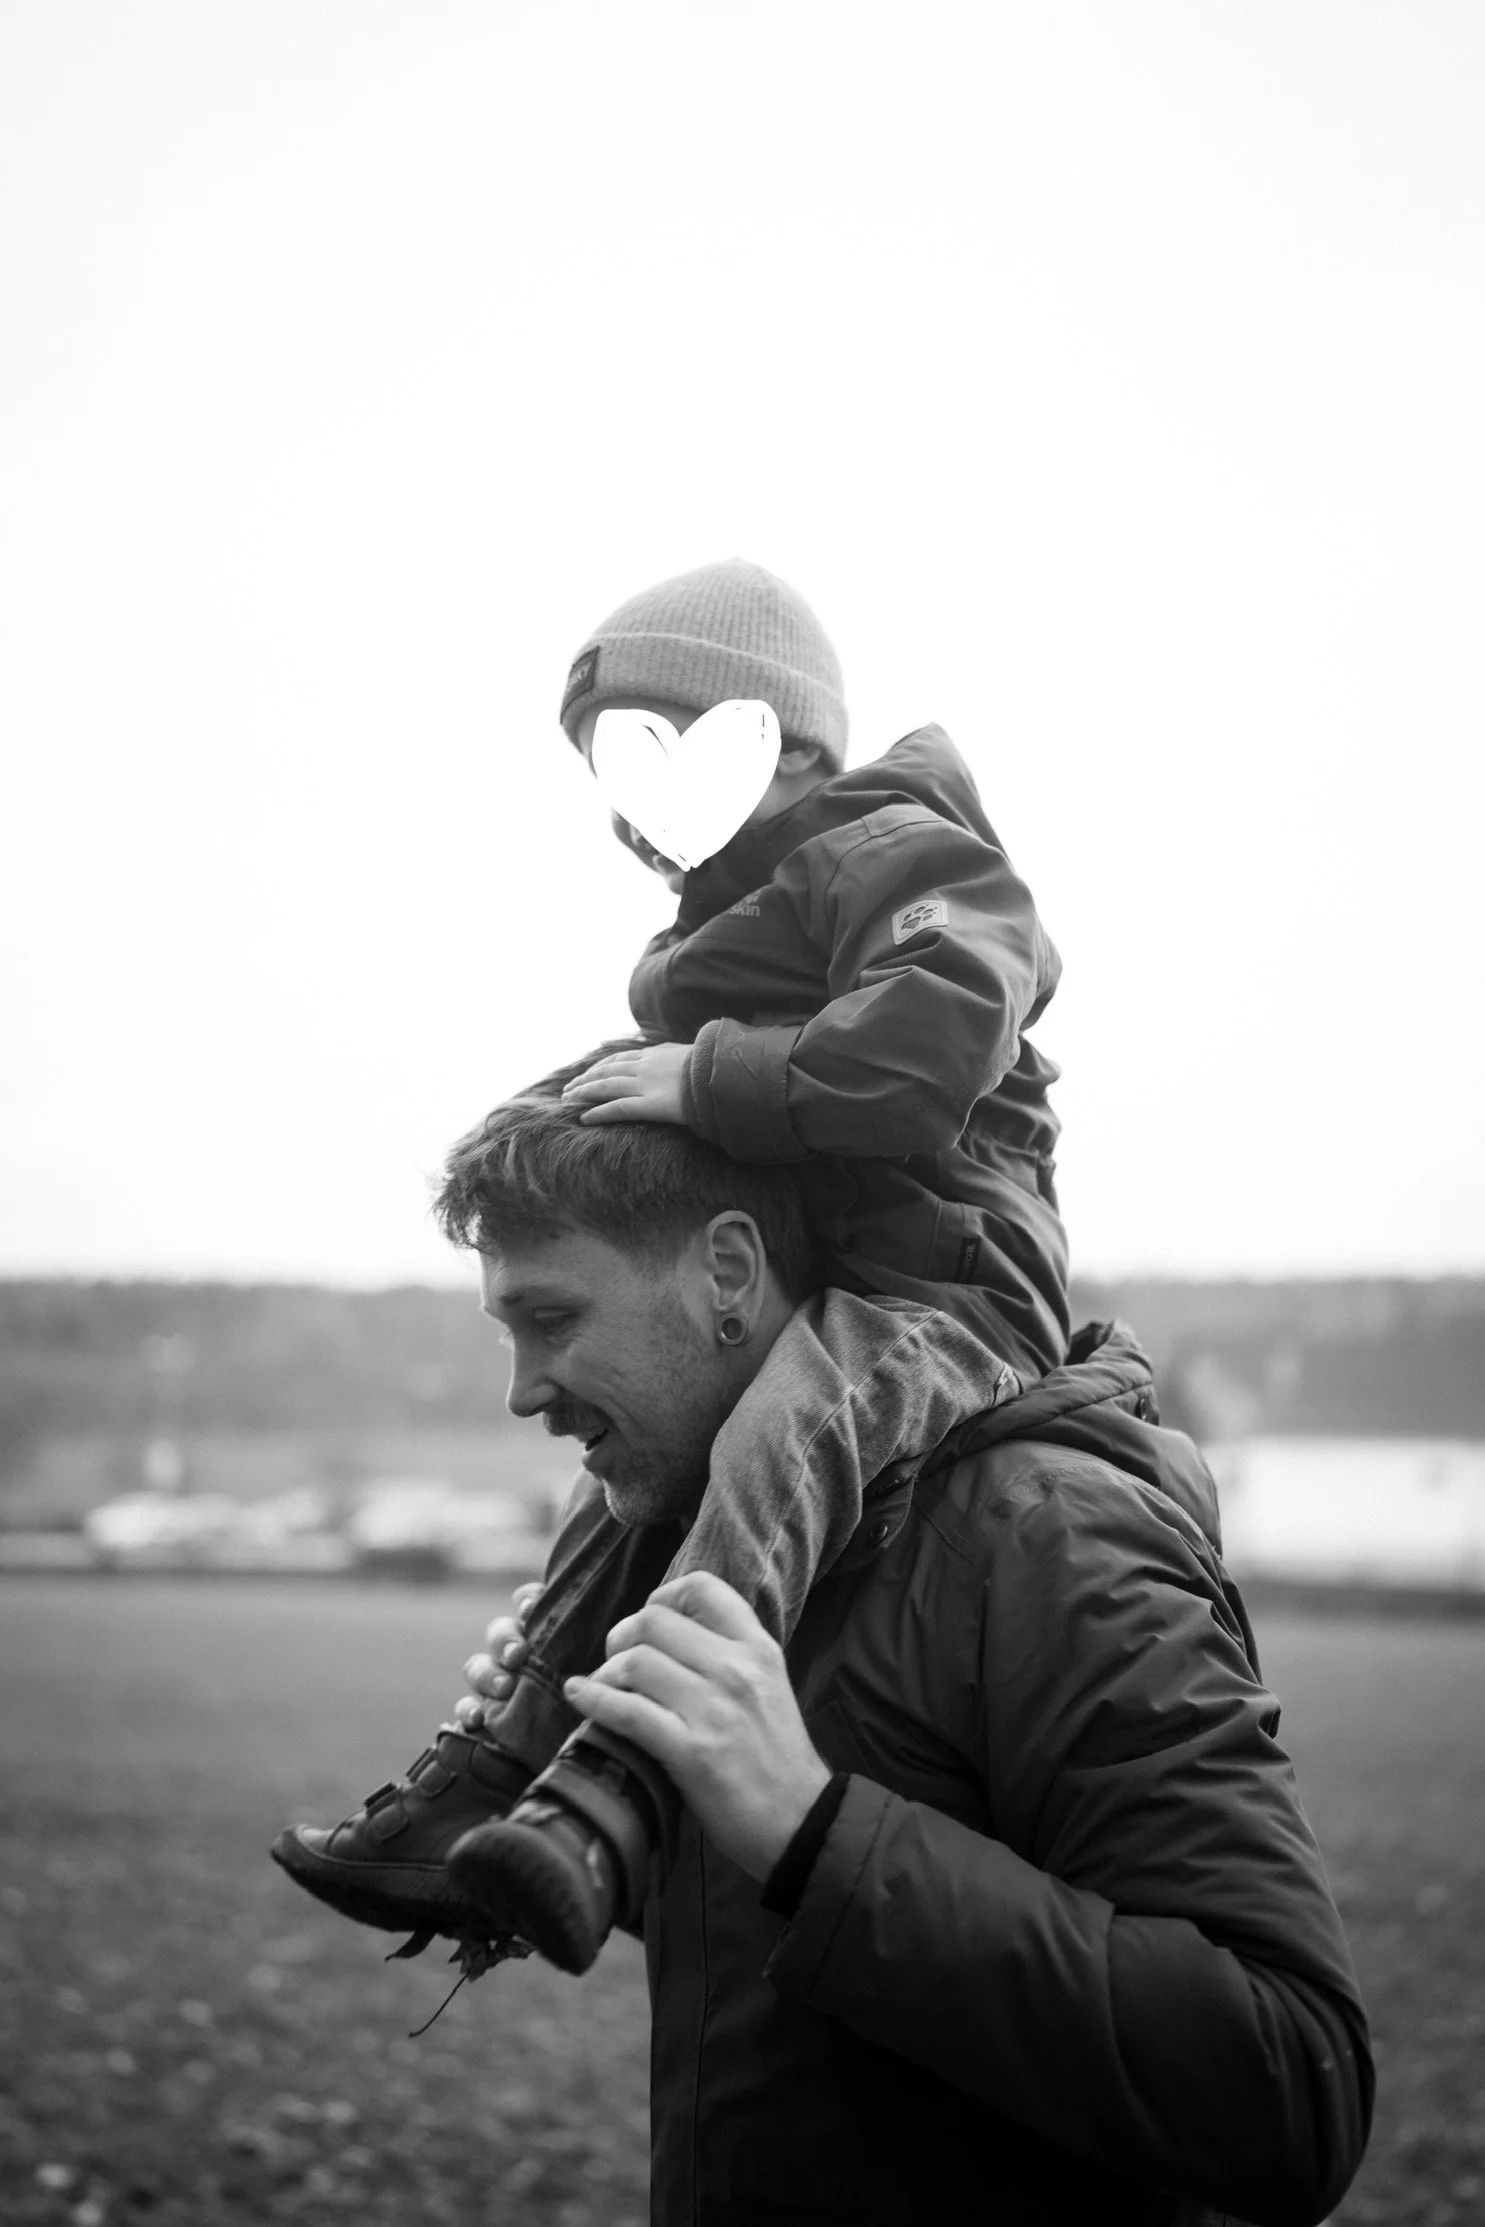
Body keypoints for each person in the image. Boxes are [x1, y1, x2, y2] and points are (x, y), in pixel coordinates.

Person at [273, 559, 1070, 1973]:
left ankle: (616, 1786)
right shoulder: (729, 927)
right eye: (613, 769)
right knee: (621, 1484)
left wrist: (706, 1078)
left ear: (785, 741)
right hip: (832, 1273)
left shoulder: (904, 852)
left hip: (945, 1291)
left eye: (665, 752)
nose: (636, 806)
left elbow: (929, 1047)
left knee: (781, 1432)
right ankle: (497, 1764)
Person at [445, 1084, 1369, 2224]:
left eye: (551, 1318)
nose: (521, 1390)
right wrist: (615, 1823)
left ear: (727, 1272)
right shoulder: (715, 1551)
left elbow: (1291, 2089)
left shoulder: (1051, 1538)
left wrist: (811, 1829)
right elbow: (814, 1972)